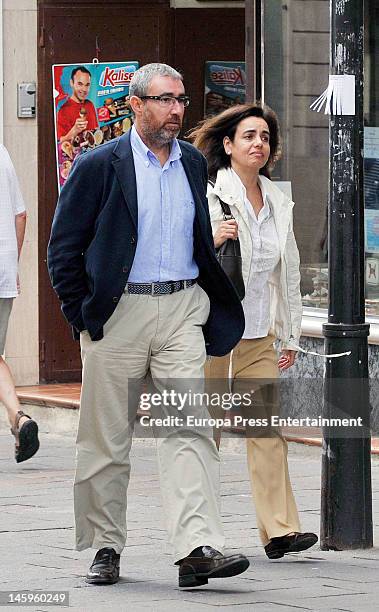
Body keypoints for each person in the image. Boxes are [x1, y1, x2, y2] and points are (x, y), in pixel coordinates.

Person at [47, 63, 249, 588]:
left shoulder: (189, 161)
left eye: (181, 100)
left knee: (190, 428)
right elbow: (63, 249)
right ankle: (104, 546)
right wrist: (83, 317)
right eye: (164, 100)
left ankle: (196, 548)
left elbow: (198, 238)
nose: (177, 109)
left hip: (181, 309)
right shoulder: (98, 165)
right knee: (106, 439)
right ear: (136, 105)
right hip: (119, 315)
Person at [190, 103, 318, 560]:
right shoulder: (208, 192)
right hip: (213, 331)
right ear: (228, 145)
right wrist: (213, 236)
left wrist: (290, 334)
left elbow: (289, 273)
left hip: (260, 331)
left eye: (264, 137)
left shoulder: (278, 200)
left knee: (266, 431)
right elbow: (183, 251)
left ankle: (280, 530)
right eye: (248, 136)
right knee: (206, 433)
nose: (258, 144)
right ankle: (197, 537)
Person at [0, 144, 39, 463]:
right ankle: (18, 419)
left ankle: (17, 418)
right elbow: (21, 214)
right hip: (2, 271)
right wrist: (11, 266)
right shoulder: (1, 153)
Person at [57, 66, 98, 143]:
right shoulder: (63, 111)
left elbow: (95, 131)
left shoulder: (90, 104)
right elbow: (60, 143)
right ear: (71, 83)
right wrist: (74, 131)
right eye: (80, 84)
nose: (84, 89)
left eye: (87, 85)